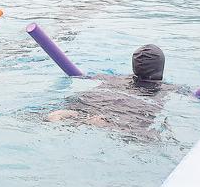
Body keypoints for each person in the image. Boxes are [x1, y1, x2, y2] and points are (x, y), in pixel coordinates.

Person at [46, 44, 174, 138]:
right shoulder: (167, 88)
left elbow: (82, 76)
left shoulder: (113, 78)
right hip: (127, 114)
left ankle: (70, 114)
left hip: (93, 101)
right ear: (160, 66)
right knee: (151, 139)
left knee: (74, 113)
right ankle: (100, 121)